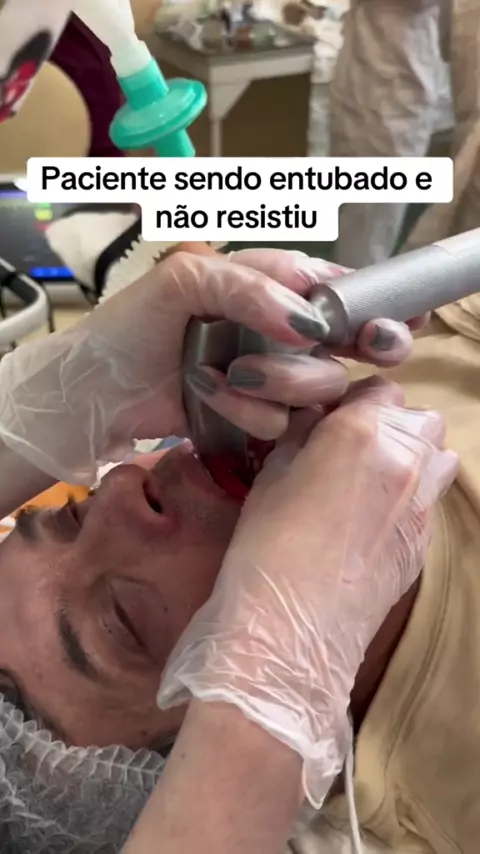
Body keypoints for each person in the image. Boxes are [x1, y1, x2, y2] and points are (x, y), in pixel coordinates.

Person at [0, 240, 443, 853]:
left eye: (72, 518)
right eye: (123, 620)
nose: (122, 486)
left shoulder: (312, 372)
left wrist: (69, 388)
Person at [330, 0, 480, 267]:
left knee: (375, 211)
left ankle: (358, 281)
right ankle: (355, 285)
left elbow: (450, 32)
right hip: (382, 94)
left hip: (397, 91)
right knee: (370, 216)